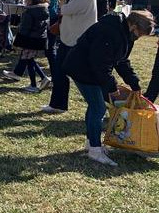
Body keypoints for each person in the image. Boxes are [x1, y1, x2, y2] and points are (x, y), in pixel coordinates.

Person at [64, 9, 155, 166]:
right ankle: (95, 150)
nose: (139, 37)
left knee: (95, 106)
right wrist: (111, 86)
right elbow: (100, 63)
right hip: (82, 70)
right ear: (133, 26)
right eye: (140, 33)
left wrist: (134, 82)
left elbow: (121, 60)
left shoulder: (126, 34)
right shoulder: (109, 31)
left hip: (92, 71)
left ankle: (91, 143)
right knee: (98, 108)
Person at [40, 0, 98, 114]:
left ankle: (100, 105)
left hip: (77, 43)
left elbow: (64, 10)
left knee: (82, 76)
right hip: (69, 40)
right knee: (59, 73)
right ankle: (58, 104)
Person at [10, 0, 50, 92]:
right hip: (39, 39)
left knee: (29, 61)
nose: (25, 1)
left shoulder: (29, 12)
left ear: (31, 0)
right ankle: (42, 79)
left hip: (29, 40)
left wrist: (17, 42)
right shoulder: (44, 10)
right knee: (29, 59)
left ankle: (35, 84)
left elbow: (24, 29)